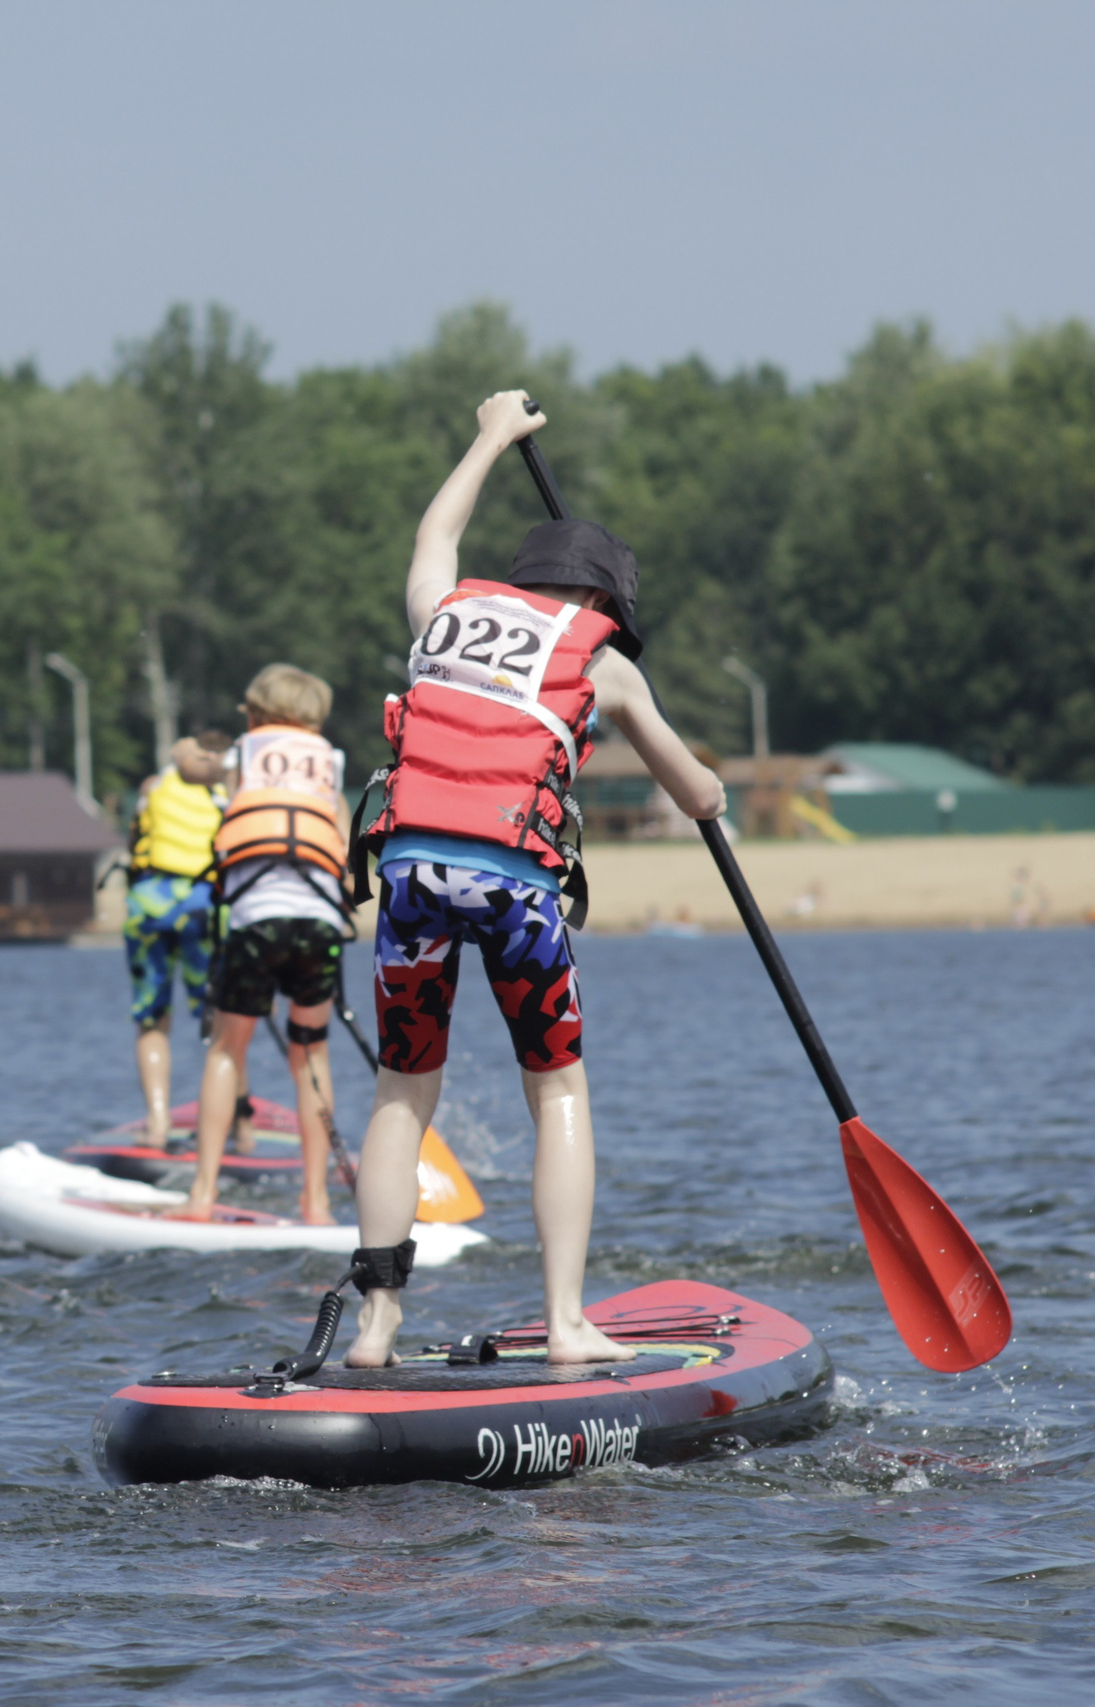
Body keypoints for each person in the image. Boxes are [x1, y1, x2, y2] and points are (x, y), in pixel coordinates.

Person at [344, 390, 725, 1368]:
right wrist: (712, 792)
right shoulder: (605, 668)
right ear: (598, 607)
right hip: (512, 883)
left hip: (412, 873)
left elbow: (436, 531)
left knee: (401, 1090)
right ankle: (564, 1320)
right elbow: (693, 790)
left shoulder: (442, 615)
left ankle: (377, 1325)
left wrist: (488, 439)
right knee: (555, 1089)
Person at [180, 665, 352, 1226]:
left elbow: (195, 771)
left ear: (255, 713)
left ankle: (202, 1195)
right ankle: (317, 1204)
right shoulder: (331, 761)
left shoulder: (243, 752)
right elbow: (343, 848)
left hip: (256, 919)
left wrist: (187, 754)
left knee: (229, 1049)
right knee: (312, 1055)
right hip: (319, 926)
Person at [122, 731, 229, 1148]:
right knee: (224, 1025)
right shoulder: (224, 789)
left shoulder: (153, 786)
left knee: (152, 1020)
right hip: (203, 906)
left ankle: (158, 1123)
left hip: (148, 904)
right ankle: (234, 1129)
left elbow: (135, 838)